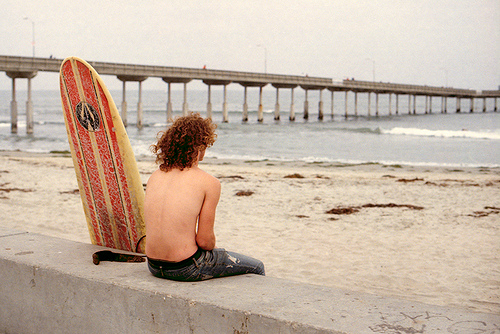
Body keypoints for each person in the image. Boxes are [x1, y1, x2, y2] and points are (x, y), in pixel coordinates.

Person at [145, 113, 265, 281]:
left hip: (154, 266)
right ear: (200, 146)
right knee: (257, 266)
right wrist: (217, 251)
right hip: (185, 267)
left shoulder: (155, 177)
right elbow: (204, 241)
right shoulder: (209, 183)